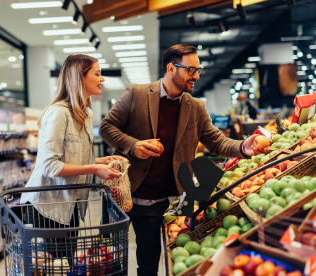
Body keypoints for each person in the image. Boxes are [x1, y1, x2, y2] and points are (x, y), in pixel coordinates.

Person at [99, 44, 264, 276]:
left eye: (198, 70)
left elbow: (216, 142)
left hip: (158, 201)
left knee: (148, 264)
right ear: (171, 68)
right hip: (123, 193)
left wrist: (243, 148)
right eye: (191, 70)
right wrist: (134, 145)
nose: (195, 76)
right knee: (108, 262)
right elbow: (107, 127)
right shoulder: (137, 93)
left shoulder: (196, 107)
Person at [20, 54, 123, 265]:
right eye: (97, 73)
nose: (102, 79)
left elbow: (75, 158)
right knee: (54, 266)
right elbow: (50, 165)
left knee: (66, 264)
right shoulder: (58, 114)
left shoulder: (87, 114)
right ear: (80, 77)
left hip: (71, 203)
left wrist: (101, 162)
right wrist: (94, 169)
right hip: (47, 207)